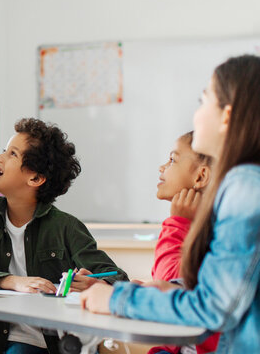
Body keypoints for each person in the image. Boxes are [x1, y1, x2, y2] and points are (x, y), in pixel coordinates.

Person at [81, 55, 260, 353]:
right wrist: (170, 288)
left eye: (203, 102)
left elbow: (213, 308)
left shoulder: (244, 188)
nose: (196, 115)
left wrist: (116, 300)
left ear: (226, 116)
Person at [0, 118, 128, 354]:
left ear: (35, 179)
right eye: (5, 150)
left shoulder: (66, 227)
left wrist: (95, 284)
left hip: (40, 342)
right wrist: (11, 281)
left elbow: (119, 279)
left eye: (12, 154)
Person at [150, 131, 219, 354]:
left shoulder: (217, 231)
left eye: (173, 159)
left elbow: (170, 285)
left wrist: (177, 223)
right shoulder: (195, 229)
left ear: (200, 177)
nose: (162, 167)